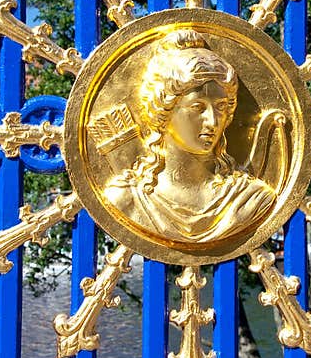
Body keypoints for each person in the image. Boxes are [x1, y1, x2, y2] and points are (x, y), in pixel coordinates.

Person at [104, 30, 275, 243]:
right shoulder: (126, 199)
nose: (213, 121)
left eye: (221, 107)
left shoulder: (250, 199)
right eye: (197, 107)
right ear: (163, 110)